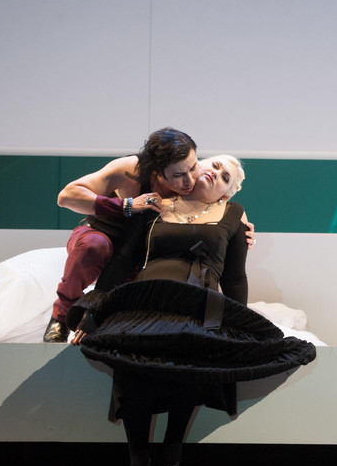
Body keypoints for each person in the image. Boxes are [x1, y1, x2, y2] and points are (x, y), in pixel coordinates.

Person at [71, 155, 315, 466]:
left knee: (190, 359)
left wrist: (238, 322)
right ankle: (138, 458)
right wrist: (94, 310)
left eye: (225, 176)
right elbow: (124, 259)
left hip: (198, 303)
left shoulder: (233, 214)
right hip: (147, 298)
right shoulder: (154, 204)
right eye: (213, 165)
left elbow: (234, 277)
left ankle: (173, 443)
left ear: (226, 193)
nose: (216, 173)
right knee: (133, 369)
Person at [45, 128, 254, 342]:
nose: (189, 180)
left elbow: (234, 273)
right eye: (178, 176)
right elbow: (66, 197)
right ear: (158, 171)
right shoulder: (133, 172)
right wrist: (126, 205)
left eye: (193, 168)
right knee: (95, 246)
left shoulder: (220, 202)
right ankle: (61, 315)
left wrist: (240, 230)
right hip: (107, 237)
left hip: (146, 264)